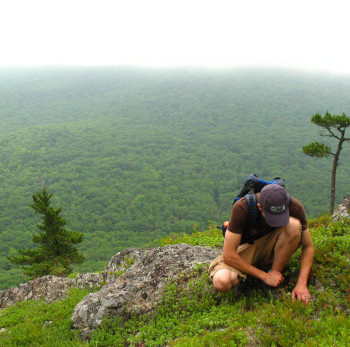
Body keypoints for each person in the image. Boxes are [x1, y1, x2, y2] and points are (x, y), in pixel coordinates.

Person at [209, 184, 314, 304]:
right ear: (260, 207)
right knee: (222, 281)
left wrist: (301, 283)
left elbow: (308, 246)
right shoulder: (243, 208)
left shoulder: (294, 206)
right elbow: (229, 255)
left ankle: (274, 277)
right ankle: (261, 278)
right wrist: (264, 276)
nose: (276, 222)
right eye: (272, 217)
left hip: (274, 246)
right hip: (249, 248)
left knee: (294, 225)